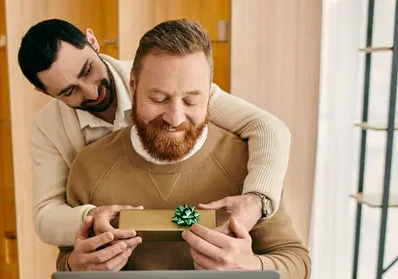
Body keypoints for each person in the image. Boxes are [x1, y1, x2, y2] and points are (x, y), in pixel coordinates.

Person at [56, 19, 310, 279]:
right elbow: (66, 262)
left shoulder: (249, 162)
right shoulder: (90, 166)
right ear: (133, 85)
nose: (175, 118)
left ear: (209, 91)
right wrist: (76, 266)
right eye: (158, 98)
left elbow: (298, 263)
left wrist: (252, 268)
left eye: (191, 100)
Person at [18, 18, 290, 248]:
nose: (91, 91)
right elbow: (46, 216)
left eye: (88, 70)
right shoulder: (48, 128)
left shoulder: (160, 76)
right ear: (45, 93)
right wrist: (92, 218)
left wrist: (258, 200)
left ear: (93, 42)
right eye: (68, 91)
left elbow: (267, 127)